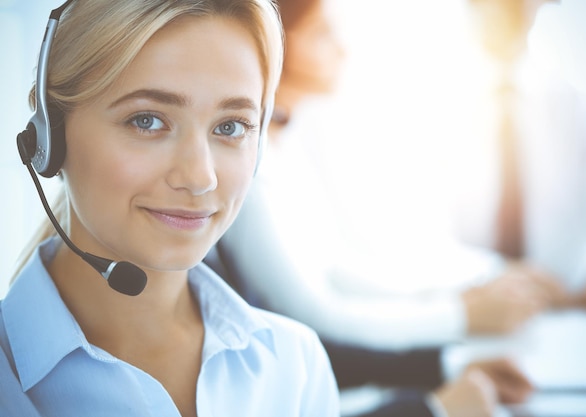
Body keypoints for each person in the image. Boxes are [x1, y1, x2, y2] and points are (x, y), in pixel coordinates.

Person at [0, 1, 340, 416]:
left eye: (230, 126)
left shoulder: (294, 368)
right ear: (49, 134)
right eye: (147, 120)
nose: (200, 178)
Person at [205, 0, 536, 415]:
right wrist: (458, 320)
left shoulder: (284, 147)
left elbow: (336, 268)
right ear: (275, 42)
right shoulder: (247, 173)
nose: (343, 50)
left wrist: (455, 314)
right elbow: (315, 316)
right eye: (323, 34)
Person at [446, 0, 586, 310]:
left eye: (509, 5)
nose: (495, 12)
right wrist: (497, 275)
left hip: (573, 317)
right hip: (469, 319)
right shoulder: (433, 116)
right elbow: (416, 251)